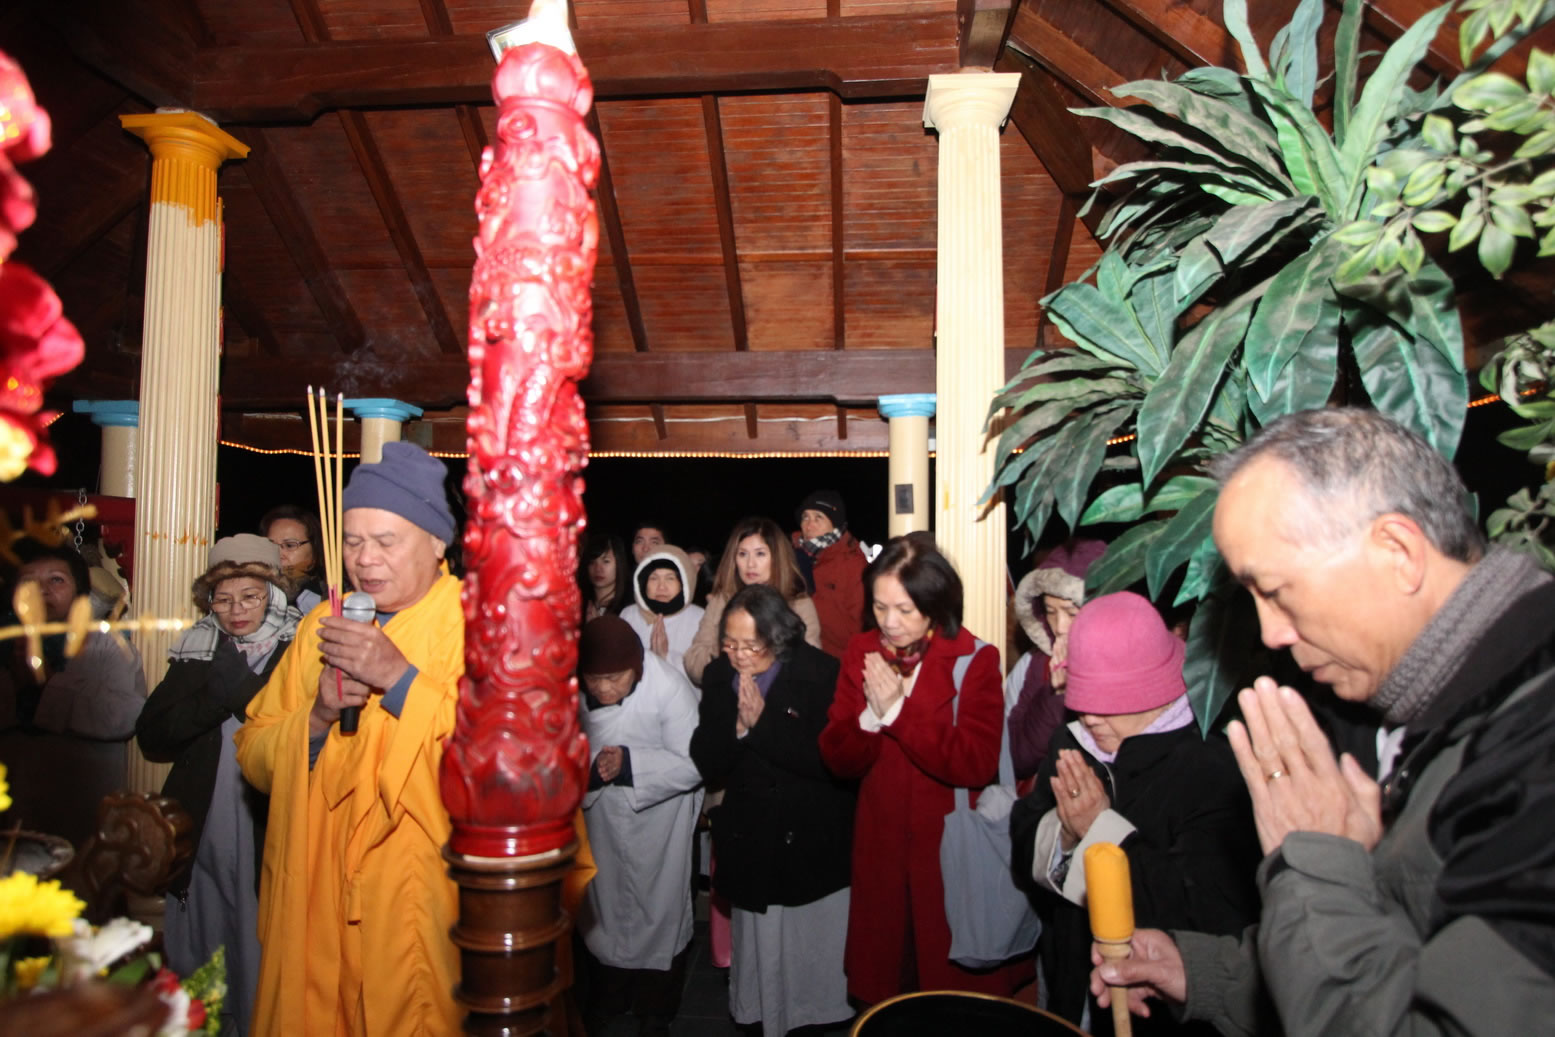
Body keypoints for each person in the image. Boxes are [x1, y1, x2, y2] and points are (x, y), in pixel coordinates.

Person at [1092, 407, 1555, 1036]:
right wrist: (1209, 973)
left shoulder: (1534, 744)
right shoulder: (1387, 709)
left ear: (1397, 552)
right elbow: (1396, 943)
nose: (1271, 633)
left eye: (1276, 591)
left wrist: (1311, 867)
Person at [235, 441, 464, 1036]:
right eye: (353, 541)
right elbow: (254, 753)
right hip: (319, 889)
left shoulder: (475, 625)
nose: (365, 560)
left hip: (418, 899)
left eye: (386, 541)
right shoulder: (322, 625)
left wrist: (400, 680)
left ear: (436, 543)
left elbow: (502, 769)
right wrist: (315, 720)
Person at [1010, 591, 1258, 1034]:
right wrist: (1065, 835)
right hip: (1072, 981)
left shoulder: (1209, 767)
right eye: (1083, 699)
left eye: (1110, 700)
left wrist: (1099, 830)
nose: (1090, 717)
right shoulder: (1072, 743)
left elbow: (1208, 917)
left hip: (1161, 1009)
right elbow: (1023, 839)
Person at [818, 532, 1017, 1003]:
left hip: (948, 857)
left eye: (905, 610)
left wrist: (898, 714)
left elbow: (976, 763)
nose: (890, 622)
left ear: (935, 604)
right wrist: (871, 720)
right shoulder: (862, 651)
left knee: (949, 1000)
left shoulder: (974, 659)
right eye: (880, 607)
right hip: (881, 849)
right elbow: (837, 757)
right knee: (887, 991)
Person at [136, 534, 303, 1036]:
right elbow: (153, 736)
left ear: (273, 596)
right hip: (205, 821)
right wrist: (214, 695)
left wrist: (243, 692)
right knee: (204, 935)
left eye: (250, 596)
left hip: (266, 818)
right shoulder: (198, 649)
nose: (236, 610)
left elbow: (302, 735)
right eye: (223, 599)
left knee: (259, 935)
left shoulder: (301, 648)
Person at [689, 585, 855, 1036]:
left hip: (810, 836)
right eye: (730, 643)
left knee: (810, 962)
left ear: (779, 640)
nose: (739, 655)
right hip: (754, 836)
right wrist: (739, 730)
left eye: (751, 646)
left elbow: (830, 762)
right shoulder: (720, 675)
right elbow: (707, 759)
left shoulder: (822, 673)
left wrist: (762, 727)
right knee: (763, 966)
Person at [575, 614, 703, 1037]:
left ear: (637, 668)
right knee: (603, 912)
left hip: (659, 821)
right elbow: (555, 752)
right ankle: (606, 999)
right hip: (600, 819)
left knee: (659, 911)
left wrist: (630, 764)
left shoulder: (667, 687)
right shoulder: (571, 694)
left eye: (615, 678)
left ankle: (656, 1007)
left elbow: (695, 760)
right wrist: (592, 770)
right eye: (594, 680)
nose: (604, 689)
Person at [0, 538, 146, 849]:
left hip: (85, 815)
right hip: (13, 814)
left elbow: (126, 716)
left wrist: (47, 686)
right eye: (28, 581)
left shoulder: (109, 646)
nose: (41, 591)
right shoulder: (5, 645)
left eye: (56, 580)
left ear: (80, 593)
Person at [1006, 539, 1107, 781]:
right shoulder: (1035, 664)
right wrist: (1057, 696)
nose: (1060, 627)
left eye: (1072, 613)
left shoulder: (1135, 665)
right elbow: (1013, 759)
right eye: (1051, 612)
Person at [683, 517, 821, 686]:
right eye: (742, 554)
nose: (750, 564)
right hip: (727, 695)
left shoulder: (798, 604)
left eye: (760, 554)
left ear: (777, 557)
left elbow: (809, 669)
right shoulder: (722, 601)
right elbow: (694, 665)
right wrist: (728, 647)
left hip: (779, 697)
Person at [792, 490, 867, 659]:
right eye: (805, 517)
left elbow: (859, 627)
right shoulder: (790, 557)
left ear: (835, 523)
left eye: (818, 517)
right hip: (796, 659)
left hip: (838, 661)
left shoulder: (853, 563)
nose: (809, 525)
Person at [622, 546, 704, 674]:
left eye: (670, 578)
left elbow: (703, 672)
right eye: (654, 578)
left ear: (684, 582)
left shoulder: (700, 619)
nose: (661, 587)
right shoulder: (629, 615)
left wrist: (666, 657)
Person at [259, 505, 325, 613]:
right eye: (271, 545)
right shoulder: (252, 590)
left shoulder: (329, 598)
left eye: (289, 545)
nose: (278, 554)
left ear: (315, 549)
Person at [579, 533, 632, 622]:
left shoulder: (628, 609)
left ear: (619, 563)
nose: (598, 569)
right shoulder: (579, 604)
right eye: (592, 562)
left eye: (606, 561)